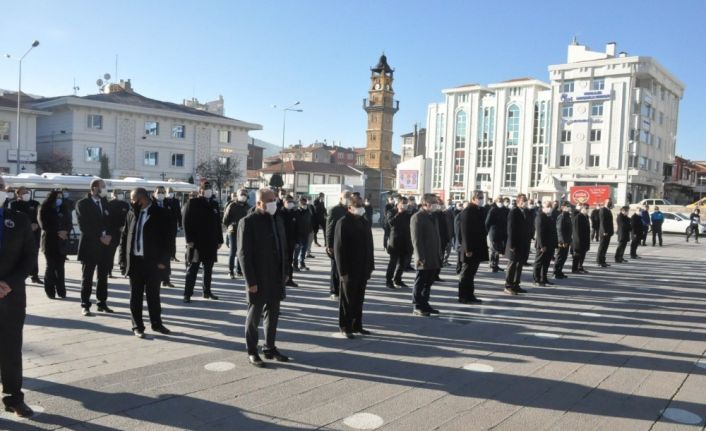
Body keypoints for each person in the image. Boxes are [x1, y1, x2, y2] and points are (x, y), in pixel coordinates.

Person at [238, 188, 289, 367]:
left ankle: (270, 347)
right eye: (270, 200)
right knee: (254, 315)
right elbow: (243, 254)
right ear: (259, 203)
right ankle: (252, 351)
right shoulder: (248, 222)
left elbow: (283, 247)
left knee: (273, 314)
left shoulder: (277, 220)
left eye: (274, 199)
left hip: (276, 276)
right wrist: (250, 281)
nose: (274, 203)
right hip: (258, 278)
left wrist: (285, 272)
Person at [0, 175, 36, 418]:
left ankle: (13, 397)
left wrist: (9, 283)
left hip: (11, 296)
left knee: (11, 349)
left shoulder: (19, 220)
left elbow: (30, 258)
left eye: (1, 186)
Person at [119, 188, 171, 338]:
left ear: (142, 199)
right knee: (135, 296)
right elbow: (124, 238)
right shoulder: (131, 213)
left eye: (133, 199)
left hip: (153, 263)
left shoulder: (160, 213)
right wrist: (123, 261)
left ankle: (157, 324)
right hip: (135, 262)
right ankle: (137, 326)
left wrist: (163, 262)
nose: (131, 202)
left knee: (153, 295)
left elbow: (167, 240)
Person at [334, 195, 374, 338]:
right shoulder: (343, 222)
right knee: (347, 299)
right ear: (350, 207)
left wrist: (370, 266)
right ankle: (345, 326)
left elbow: (370, 245)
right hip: (349, 269)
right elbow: (339, 249)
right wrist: (342, 272)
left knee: (359, 298)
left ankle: (357, 325)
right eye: (357, 206)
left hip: (363, 267)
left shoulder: (363, 221)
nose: (361, 208)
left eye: (362, 205)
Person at [76, 179, 114, 316]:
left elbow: (110, 221)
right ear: (94, 188)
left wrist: (109, 235)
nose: (105, 189)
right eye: (102, 186)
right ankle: (85, 304)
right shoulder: (82, 204)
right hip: (90, 245)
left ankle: (102, 303)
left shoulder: (104, 202)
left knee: (103, 276)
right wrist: (100, 236)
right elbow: (84, 225)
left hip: (105, 246)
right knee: (87, 277)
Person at [183, 182, 223, 303]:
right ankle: (187, 294)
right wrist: (188, 240)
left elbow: (218, 224)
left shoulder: (214, 204)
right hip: (196, 243)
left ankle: (207, 291)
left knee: (208, 269)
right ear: (200, 190)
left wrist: (220, 240)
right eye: (205, 188)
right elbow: (185, 222)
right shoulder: (192, 203)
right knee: (193, 269)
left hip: (211, 242)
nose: (208, 190)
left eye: (210, 188)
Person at [410, 193, 442, 316]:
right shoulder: (417, 217)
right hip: (423, 256)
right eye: (433, 202)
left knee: (428, 282)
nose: (436, 205)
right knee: (420, 281)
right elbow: (416, 240)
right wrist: (419, 257)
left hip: (433, 255)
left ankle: (425, 303)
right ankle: (417, 305)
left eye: (436, 202)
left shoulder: (432, 216)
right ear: (425, 204)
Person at [38, 190, 71, 299]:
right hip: (49, 243)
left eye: (61, 197)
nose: (59, 200)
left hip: (62, 243)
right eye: (57, 197)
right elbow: (44, 225)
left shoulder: (64, 208)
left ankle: (61, 291)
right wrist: (58, 232)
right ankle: (50, 291)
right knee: (51, 267)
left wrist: (65, 231)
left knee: (60, 268)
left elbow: (69, 223)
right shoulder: (44, 208)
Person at [457, 191, 488, 304]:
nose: (481, 200)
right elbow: (464, 232)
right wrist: (467, 249)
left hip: (477, 247)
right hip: (469, 248)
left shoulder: (479, 211)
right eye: (479, 198)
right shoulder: (468, 211)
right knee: (466, 273)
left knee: (471, 274)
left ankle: (470, 295)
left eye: (482, 197)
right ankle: (463, 296)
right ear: (473, 199)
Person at [8, 187, 42, 284]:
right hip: (20, 235)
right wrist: (27, 226)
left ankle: (34, 275)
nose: (26, 194)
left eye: (27, 192)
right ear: (18, 194)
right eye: (23, 193)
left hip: (34, 234)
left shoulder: (35, 203)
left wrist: (36, 224)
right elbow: (13, 219)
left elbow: (40, 216)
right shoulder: (14, 204)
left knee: (33, 255)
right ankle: (19, 276)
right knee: (19, 256)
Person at [326, 191, 351, 299]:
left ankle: (344, 290)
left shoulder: (350, 209)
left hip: (348, 243)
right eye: (346, 197)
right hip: (336, 243)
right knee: (336, 268)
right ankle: (334, 291)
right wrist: (329, 245)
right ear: (340, 198)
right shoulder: (335, 210)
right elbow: (329, 228)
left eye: (349, 197)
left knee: (346, 268)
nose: (348, 198)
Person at [152, 187, 178, 287]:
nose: (161, 194)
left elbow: (172, 217)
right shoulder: (151, 204)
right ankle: (154, 280)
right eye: (159, 192)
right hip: (155, 237)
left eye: (163, 192)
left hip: (167, 236)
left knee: (166, 258)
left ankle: (166, 279)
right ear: (154, 193)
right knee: (155, 260)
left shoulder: (168, 203)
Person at [505, 194, 529, 295]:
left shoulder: (524, 212)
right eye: (524, 201)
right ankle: (508, 285)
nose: (526, 203)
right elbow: (510, 229)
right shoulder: (514, 212)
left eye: (526, 201)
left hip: (522, 243)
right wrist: (512, 245)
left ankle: (516, 284)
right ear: (519, 201)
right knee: (512, 265)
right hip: (514, 244)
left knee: (519, 265)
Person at [223, 188, 250, 279]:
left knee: (240, 251)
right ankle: (230, 271)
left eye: (245, 194)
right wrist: (229, 228)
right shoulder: (232, 206)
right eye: (242, 194)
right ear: (237, 195)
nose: (243, 196)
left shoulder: (248, 207)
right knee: (233, 251)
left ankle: (239, 270)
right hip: (233, 231)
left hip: (243, 232)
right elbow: (225, 220)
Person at [385, 197, 412, 289]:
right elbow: (390, 223)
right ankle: (389, 281)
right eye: (403, 203)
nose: (405, 205)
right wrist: (398, 213)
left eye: (406, 203)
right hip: (395, 241)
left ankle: (398, 279)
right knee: (393, 263)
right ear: (398, 204)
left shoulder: (407, 214)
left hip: (405, 241)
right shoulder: (391, 212)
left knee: (402, 263)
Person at [106, 190, 130, 278]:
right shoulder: (109, 204)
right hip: (112, 232)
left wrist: (124, 226)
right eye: (117, 193)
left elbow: (129, 217)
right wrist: (117, 227)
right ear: (113, 195)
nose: (119, 195)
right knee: (110, 252)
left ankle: (124, 269)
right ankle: (109, 271)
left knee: (124, 251)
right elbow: (108, 219)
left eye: (120, 194)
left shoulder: (125, 204)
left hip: (124, 231)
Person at [533, 201, 558, 286]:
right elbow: (539, 233)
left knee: (546, 262)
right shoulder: (540, 217)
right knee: (539, 262)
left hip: (550, 244)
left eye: (550, 206)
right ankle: (537, 279)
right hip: (542, 245)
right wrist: (542, 245)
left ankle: (544, 278)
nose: (550, 208)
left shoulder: (549, 216)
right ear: (543, 207)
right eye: (548, 206)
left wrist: (555, 244)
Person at [278, 195, 298, 287]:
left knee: (289, 261)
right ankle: (279, 280)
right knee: (280, 261)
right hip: (280, 242)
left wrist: (297, 241)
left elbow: (297, 228)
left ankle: (289, 279)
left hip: (291, 242)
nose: (290, 203)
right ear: (283, 202)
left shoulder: (294, 213)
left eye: (291, 202)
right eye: (288, 201)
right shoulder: (279, 213)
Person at [485, 197, 508, 272]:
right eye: (499, 201)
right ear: (496, 201)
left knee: (498, 250)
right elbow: (487, 222)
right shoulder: (493, 210)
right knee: (493, 250)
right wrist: (488, 232)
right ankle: (492, 265)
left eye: (501, 201)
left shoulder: (505, 210)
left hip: (502, 233)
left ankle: (496, 265)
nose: (500, 202)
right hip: (493, 233)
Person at [293, 196, 313, 271]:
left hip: (306, 233)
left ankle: (302, 263)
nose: (303, 203)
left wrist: (310, 230)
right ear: (299, 203)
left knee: (304, 249)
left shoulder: (308, 210)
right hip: (298, 234)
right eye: (301, 202)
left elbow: (310, 221)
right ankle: (295, 264)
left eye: (304, 201)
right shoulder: (297, 211)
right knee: (297, 249)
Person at [553, 202, 572, 279]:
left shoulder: (567, 216)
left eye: (569, 206)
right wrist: (562, 241)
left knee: (564, 257)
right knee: (560, 256)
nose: (569, 207)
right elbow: (559, 230)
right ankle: (556, 272)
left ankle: (560, 271)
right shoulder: (561, 216)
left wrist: (569, 240)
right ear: (562, 207)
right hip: (562, 241)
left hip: (567, 240)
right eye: (567, 206)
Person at [163, 187, 182, 262]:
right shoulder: (164, 201)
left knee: (173, 241)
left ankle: (173, 256)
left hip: (173, 224)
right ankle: (166, 256)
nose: (171, 193)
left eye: (172, 191)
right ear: (166, 193)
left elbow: (179, 213)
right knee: (166, 241)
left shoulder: (176, 201)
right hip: (165, 225)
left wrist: (180, 224)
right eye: (169, 191)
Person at [571, 204, 591, 273]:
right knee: (577, 255)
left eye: (588, 208)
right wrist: (578, 242)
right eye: (586, 208)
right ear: (582, 209)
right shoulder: (578, 217)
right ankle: (574, 268)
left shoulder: (585, 217)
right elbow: (576, 231)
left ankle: (580, 266)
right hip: (579, 240)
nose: (587, 210)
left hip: (584, 239)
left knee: (582, 254)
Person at [596, 199, 614, 267]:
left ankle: (603, 260)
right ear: (605, 203)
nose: (610, 203)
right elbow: (602, 222)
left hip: (608, 232)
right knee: (602, 247)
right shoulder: (603, 210)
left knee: (605, 247)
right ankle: (599, 261)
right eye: (609, 202)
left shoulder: (608, 210)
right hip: (604, 232)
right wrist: (604, 231)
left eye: (610, 202)